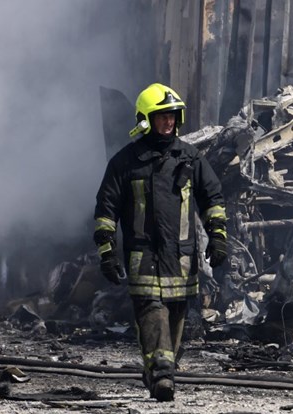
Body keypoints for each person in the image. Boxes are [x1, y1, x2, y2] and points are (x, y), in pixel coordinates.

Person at [93, 83, 227, 401]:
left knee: (176, 318)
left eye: (172, 116)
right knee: (152, 313)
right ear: (145, 120)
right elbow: (106, 209)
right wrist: (107, 251)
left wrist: (218, 236)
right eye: (161, 116)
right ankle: (163, 376)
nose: (169, 122)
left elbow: (213, 198)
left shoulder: (190, 158)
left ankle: (157, 370)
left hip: (181, 259)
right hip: (143, 258)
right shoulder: (125, 163)